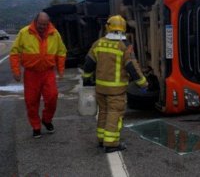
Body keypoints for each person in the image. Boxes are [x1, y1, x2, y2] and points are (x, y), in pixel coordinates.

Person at [82, 15, 148, 153]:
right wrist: (143, 84)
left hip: (100, 88)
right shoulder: (125, 46)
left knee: (104, 113)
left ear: (108, 27)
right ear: (123, 29)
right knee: (114, 113)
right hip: (116, 91)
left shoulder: (98, 43)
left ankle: (101, 139)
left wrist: (86, 79)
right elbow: (132, 68)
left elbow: (88, 64)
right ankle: (111, 143)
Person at [10, 12, 67, 138]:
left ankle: (46, 119)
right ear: (35, 21)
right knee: (31, 101)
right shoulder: (24, 32)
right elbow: (15, 53)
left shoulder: (54, 33)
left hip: (48, 72)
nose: (43, 26)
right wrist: (16, 71)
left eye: (45, 24)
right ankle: (36, 127)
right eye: (41, 24)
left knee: (52, 97)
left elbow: (61, 51)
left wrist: (61, 69)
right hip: (31, 74)